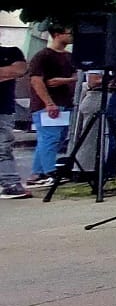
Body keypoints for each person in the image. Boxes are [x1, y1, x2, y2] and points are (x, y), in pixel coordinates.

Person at [26, 24, 76, 187]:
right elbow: (36, 80)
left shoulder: (69, 57)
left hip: (64, 101)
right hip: (47, 104)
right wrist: (48, 103)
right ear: (57, 34)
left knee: (55, 138)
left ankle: (37, 173)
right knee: (50, 137)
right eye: (68, 33)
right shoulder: (43, 56)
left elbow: (76, 75)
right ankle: (49, 171)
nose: (71, 36)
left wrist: (65, 81)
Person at [0, 42, 31, 199]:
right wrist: (6, 72)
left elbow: (20, 70)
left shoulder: (12, 52)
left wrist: (9, 72)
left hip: (3, 109)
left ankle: (10, 183)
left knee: (3, 147)